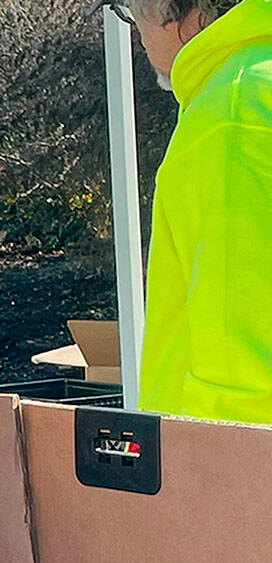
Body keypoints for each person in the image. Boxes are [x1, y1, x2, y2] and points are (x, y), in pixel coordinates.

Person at [94, 0, 272, 421]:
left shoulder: (233, 110)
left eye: (128, 11)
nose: (136, 32)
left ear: (163, 8)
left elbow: (241, 373)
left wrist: (200, 477)